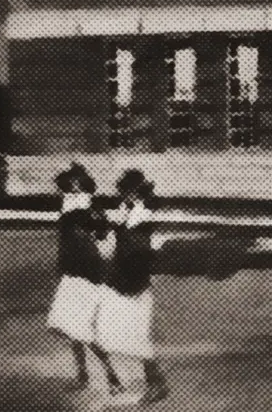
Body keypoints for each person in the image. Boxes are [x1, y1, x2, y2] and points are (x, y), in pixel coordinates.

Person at [93, 169, 170, 404]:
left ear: (135, 192)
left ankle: (154, 383)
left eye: (125, 191)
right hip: (121, 282)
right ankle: (117, 380)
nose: (122, 195)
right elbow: (108, 241)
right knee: (98, 332)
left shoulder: (143, 215)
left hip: (132, 285)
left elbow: (137, 251)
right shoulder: (128, 211)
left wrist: (113, 227)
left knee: (131, 338)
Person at [48, 164, 121, 395]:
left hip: (83, 276)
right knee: (74, 329)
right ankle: (85, 375)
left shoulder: (82, 208)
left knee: (81, 330)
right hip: (76, 274)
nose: (70, 187)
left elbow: (98, 233)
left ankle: (112, 377)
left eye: (75, 183)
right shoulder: (78, 205)